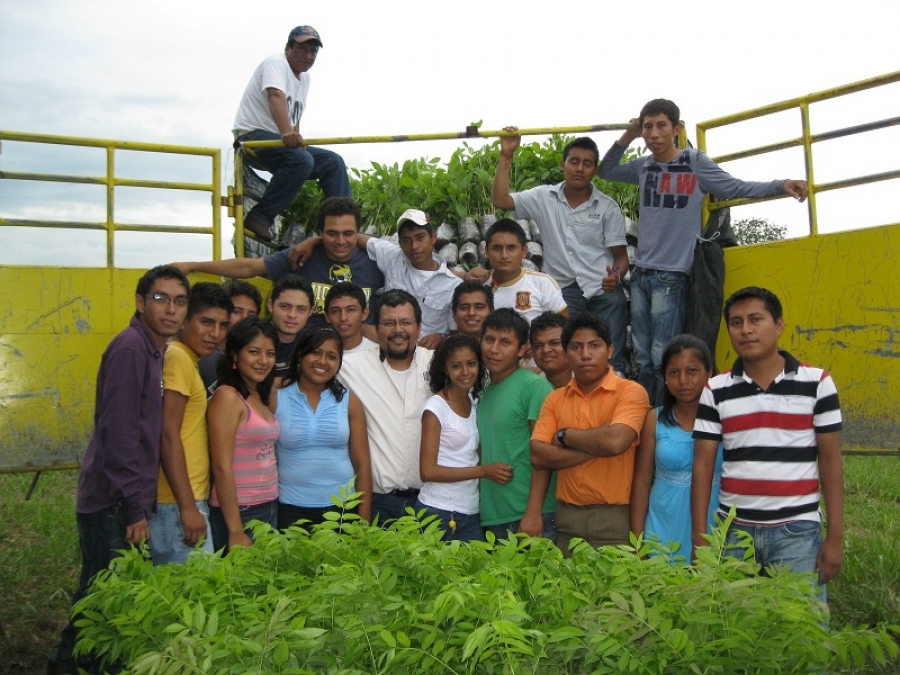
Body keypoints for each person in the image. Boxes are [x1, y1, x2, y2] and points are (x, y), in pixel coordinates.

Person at [597, 99, 809, 404]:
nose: (653, 134)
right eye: (647, 127)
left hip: (672, 276)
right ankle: (644, 419)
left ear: (676, 129)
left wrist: (781, 184)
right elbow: (606, 170)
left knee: (661, 356)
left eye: (661, 126)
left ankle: (664, 418)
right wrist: (627, 136)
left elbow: (735, 188)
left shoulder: (694, 162)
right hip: (641, 272)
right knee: (642, 357)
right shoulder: (644, 166)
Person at [49, 265, 190, 675]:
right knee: (101, 601)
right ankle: (69, 666)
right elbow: (120, 433)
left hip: (118, 498)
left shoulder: (151, 349)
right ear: (140, 302)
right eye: (161, 299)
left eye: (179, 302)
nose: (170, 310)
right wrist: (132, 509)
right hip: (113, 501)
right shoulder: (131, 348)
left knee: (104, 597)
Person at [692, 287, 843, 604]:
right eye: (735, 322)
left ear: (778, 325)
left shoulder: (817, 383)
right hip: (733, 533)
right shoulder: (715, 389)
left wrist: (835, 538)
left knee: (802, 636)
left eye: (755, 319)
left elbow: (830, 462)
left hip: (797, 533)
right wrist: (699, 538)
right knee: (737, 632)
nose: (745, 330)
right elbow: (703, 466)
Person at [493, 131, 629, 374]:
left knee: (611, 357)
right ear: (562, 164)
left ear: (595, 170)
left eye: (587, 164)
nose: (580, 168)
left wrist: (615, 277)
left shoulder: (608, 207)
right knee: (567, 356)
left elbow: (621, 257)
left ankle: (616, 406)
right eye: (574, 162)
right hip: (562, 293)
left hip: (602, 290)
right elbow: (501, 200)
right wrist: (507, 154)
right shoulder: (543, 197)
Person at [531, 313, 649, 554]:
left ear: (610, 350)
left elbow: (616, 442)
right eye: (576, 347)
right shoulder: (554, 399)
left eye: (594, 346)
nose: (585, 354)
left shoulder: (631, 392)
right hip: (567, 522)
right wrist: (598, 445)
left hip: (615, 521)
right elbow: (538, 456)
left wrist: (564, 436)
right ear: (566, 352)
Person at [172, 197, 384, 327]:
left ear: (359, 232)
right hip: (306, 355)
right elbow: (249, 266)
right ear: (320, 233)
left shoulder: (377, 262)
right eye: (331, 234)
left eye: (348, 233)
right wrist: (194, 266)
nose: (340, 241)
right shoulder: (301, 256)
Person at [233, 26, 350, 243]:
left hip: (278, 142)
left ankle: (343, 223)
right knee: (301, 160)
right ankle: (261, 216)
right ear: (288, 48)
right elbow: (275, 95)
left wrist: (296, 135)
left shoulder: (304, 79)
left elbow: (294, 115)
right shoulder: (276, 63)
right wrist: (287, 133)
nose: (308, 56)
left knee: (333, 162)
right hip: (252, 138)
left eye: (313, 51)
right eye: (302, 49)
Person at [149, 282, 232, 565]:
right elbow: (167, 434)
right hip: (175, 502)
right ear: (184, 319)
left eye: (222, 325)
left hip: (182, 499)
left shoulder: (185, 358)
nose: (215, 334)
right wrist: (186, 506)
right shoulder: (179, 359)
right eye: (206, 322)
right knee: (191, 600)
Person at [294, 208, 462, 346]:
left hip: (427, 357)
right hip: (387, 350)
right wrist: (313, 241)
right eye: (406, 240)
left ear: (433, 237)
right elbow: (350, 236)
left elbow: (457, 332)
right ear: (400, 243)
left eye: (420, 237)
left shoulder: (454, 285)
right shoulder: (392, 256)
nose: (414, 246)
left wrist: (441, 337)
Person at [337, 289, 434, 523]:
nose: (398, 330)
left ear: (419, 328)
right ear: (376, 329)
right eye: (389, 323)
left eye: (406, 322)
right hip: (378, 503)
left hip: (430, 502)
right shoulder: (348, 367)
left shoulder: (438, 364)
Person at [630, 334, 722, 563]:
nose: (683, 381)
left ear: (709, 372)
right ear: (664, 378)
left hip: (715, 524)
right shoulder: (655, 418)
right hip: (662, 526)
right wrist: (638, 540)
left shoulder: (726, 418)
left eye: (692, 371)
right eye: (674, 373)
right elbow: (641, 481)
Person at [416, 333, 511, 541]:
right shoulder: (436, 408)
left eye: (471, 364)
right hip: (437, 510)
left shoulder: (475, 402)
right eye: (456, 366)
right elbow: (427, 471)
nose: (465, 372)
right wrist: (484, 471)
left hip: (471, 510)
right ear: (445, 369)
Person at [275, 326, 372, 526]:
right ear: (300, 355)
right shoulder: (275, 398)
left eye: (331, 356)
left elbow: (362, 464)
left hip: (343, 510)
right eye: (316, 352)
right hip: (291, 508)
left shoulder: (349, 400)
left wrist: (363, 519)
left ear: (338, 363)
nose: (322, 362)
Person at [478, 309, 556, 541]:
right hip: (492, 515)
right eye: (489, 340)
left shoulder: (533, 387)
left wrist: (533, 512)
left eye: (505, 342)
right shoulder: (481, 392)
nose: (494, 349)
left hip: (530, 515)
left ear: (522, 349)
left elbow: (543, 455)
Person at [207, 318, 281, 552]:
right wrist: (235, 530)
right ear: (235, 355)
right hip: (241, 510)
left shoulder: (258, 395)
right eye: (254, 352)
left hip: (268, 504)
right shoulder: (227, 397)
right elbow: (221, 466)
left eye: (270, 353)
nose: (263, 360)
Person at [482, 218, 567, 322]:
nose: (504, 255)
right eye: (497, 248)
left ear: (524, 251)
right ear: (486, 251)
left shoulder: (543, 284)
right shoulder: (479, 285)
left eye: (511, 248)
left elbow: (563, 328)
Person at [199, 279, 263, 391]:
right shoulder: (205, 353)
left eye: (251, 314)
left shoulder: (255, 361)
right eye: (237, 311)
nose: (244, 318)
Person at [266, 274, 315, 383]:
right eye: (285, 307)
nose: (292, 315)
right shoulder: (251, 340)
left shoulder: (312, 345)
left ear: (310, 311)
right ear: (270, 305)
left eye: (301, 309)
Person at [324, 282, 377, 354]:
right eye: (335, 311)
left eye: (351, 310)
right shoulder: (318, 354)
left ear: (364, 313)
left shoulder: (380, 353)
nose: (343, 318)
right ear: (327, 316)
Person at [529, 311, 571, 389]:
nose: (545, 350)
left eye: (554, 343)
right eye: (538, 345)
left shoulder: (590, 382)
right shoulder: (528, 387)